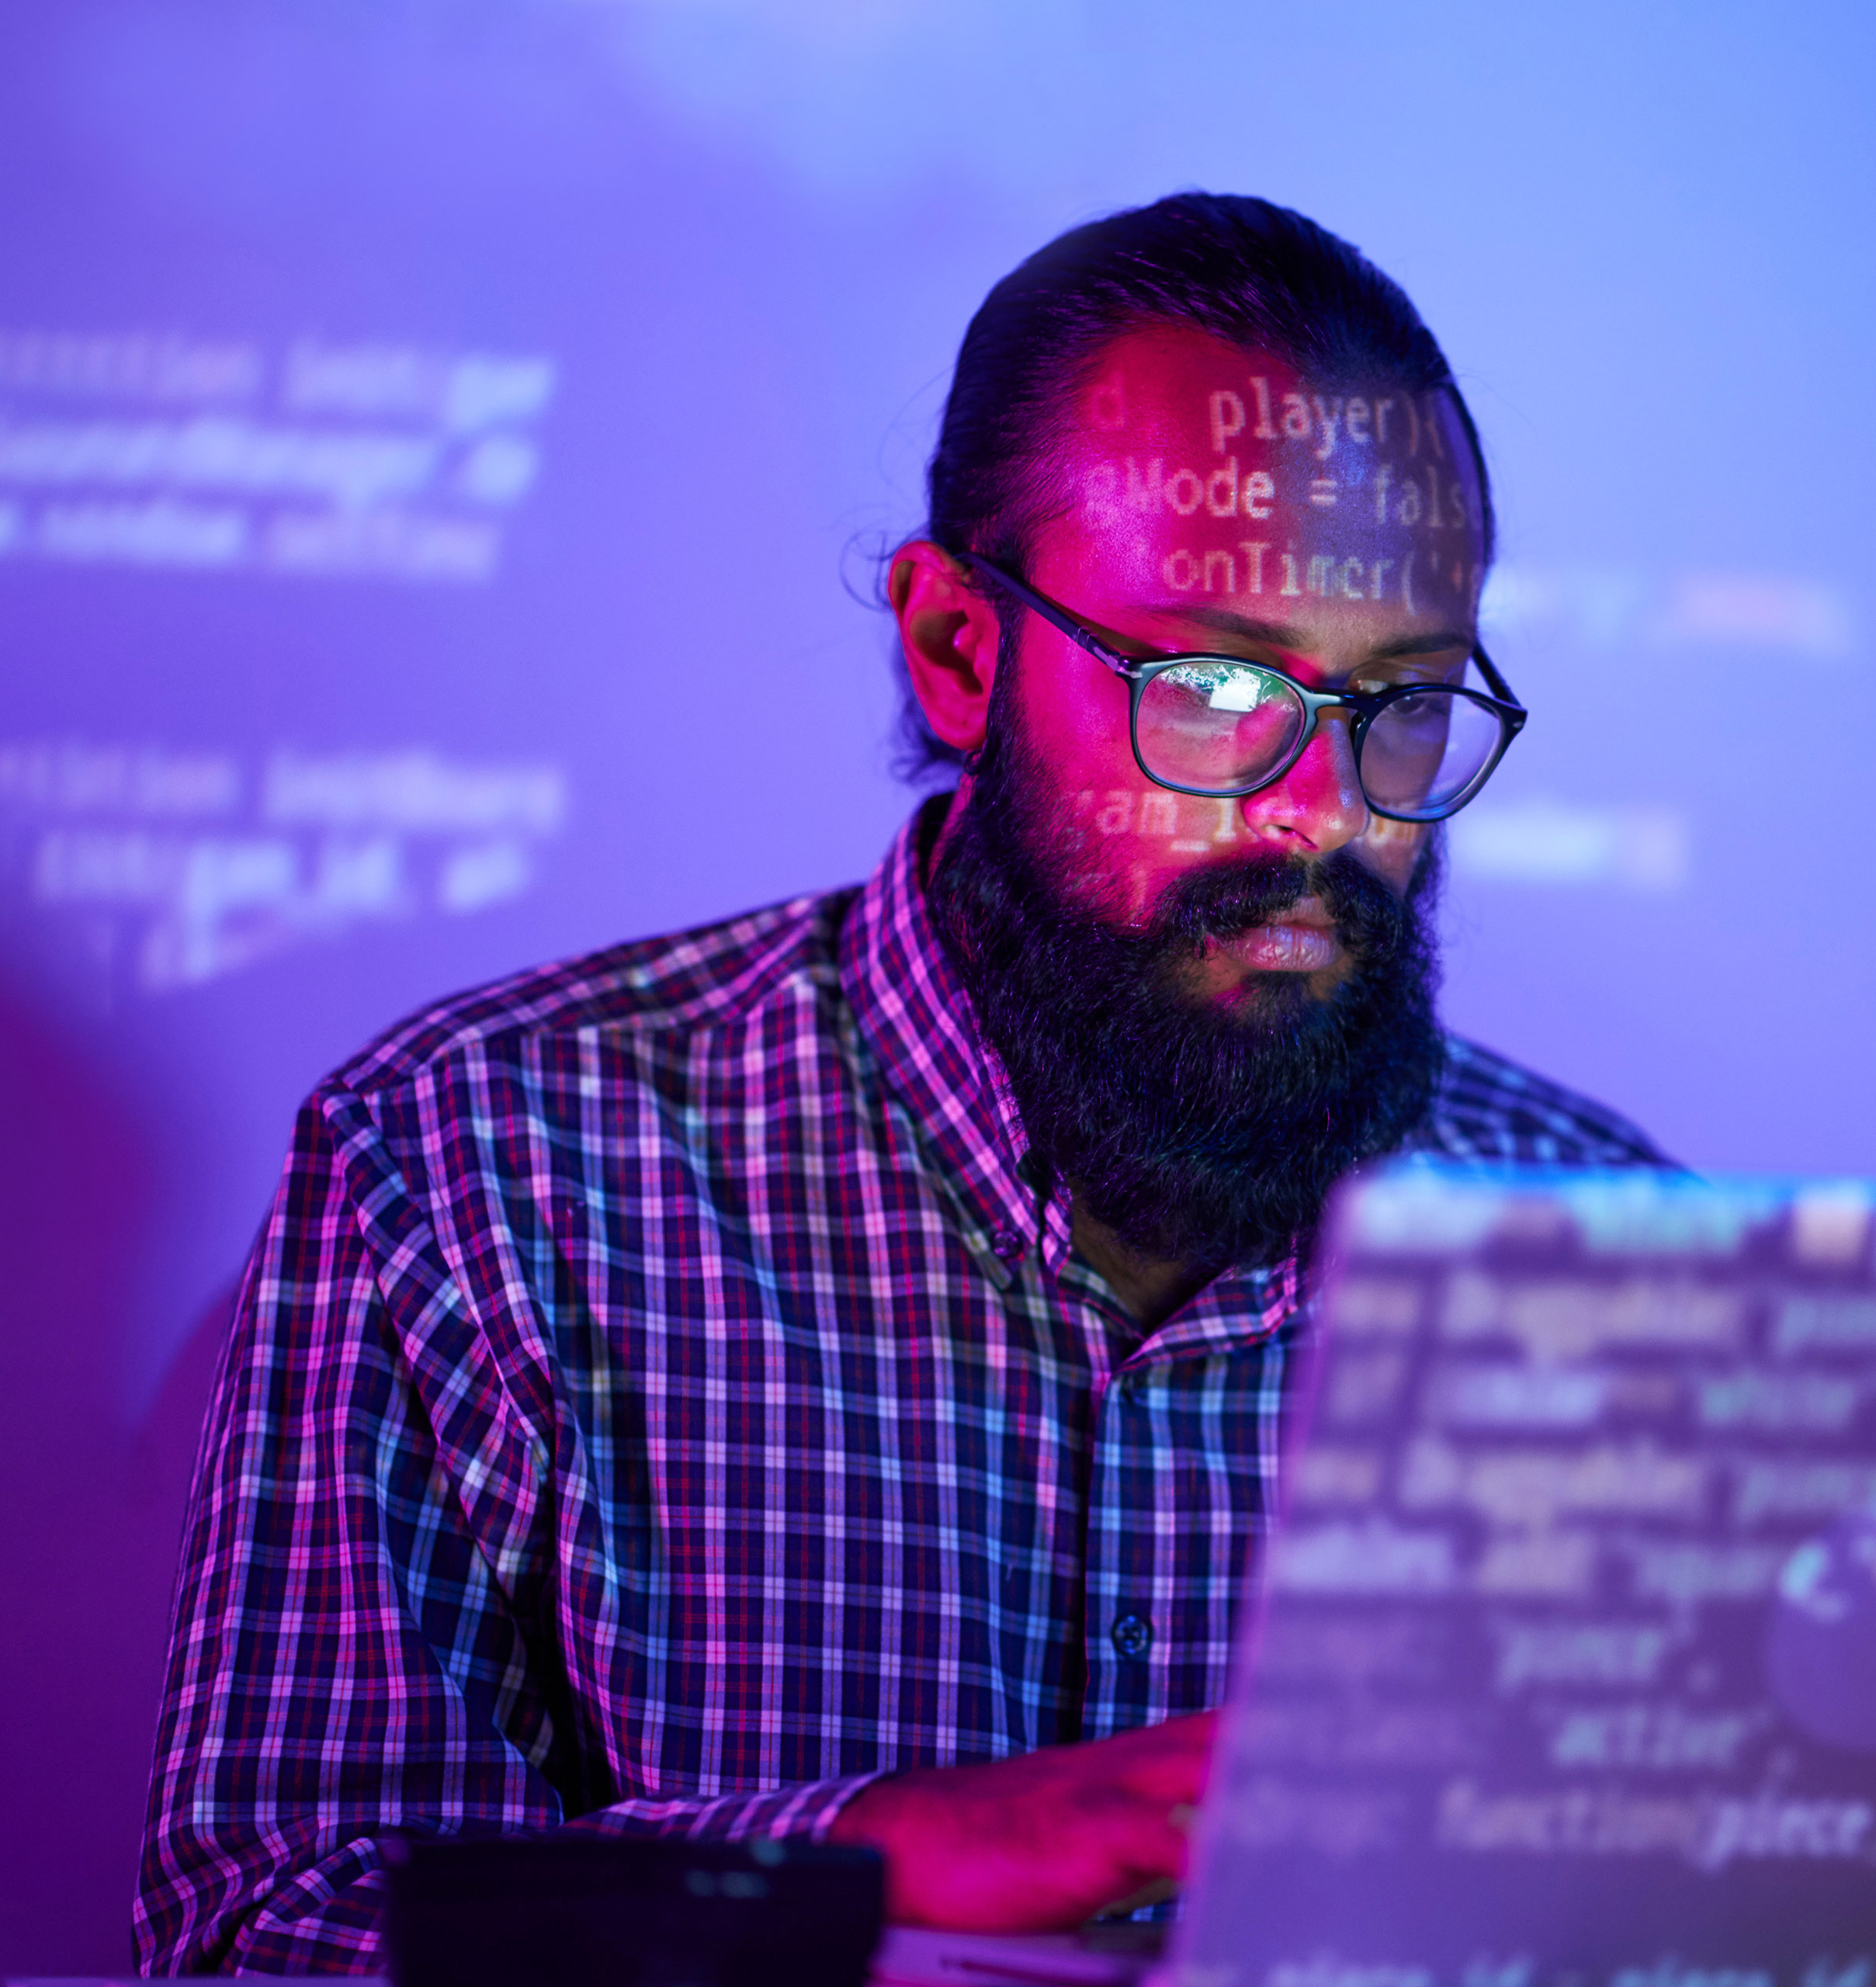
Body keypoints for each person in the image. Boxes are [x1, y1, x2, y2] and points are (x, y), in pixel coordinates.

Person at [133, 192, 1666, 1975]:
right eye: (1219, 681)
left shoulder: (1616, 1269)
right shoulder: (480, 1177)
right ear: (958, 649)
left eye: (1400, 699)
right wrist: (872, 1862)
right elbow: (255, 1938)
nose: (1321, 808)